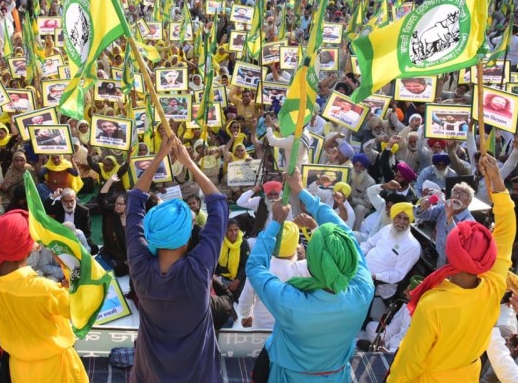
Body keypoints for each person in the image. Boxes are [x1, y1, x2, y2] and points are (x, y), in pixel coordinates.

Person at [387, 154, 515, 381]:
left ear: (453, 252)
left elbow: (407, 365)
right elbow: (507, 230)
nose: (456, 196)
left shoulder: (433, 305)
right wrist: (497, 181)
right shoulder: (494, 285)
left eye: (463, 194)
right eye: (455, 192)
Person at [246, 169, 374, 382]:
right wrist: (302, 192)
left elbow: (255, 268)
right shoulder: (363, 290)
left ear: (312, 263)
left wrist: (275, 223)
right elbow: (347, 236)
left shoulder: (290, 300)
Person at [126, 135, 227, 382]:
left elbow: (135, 203)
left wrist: (159, 157)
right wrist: (189, 163)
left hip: (150, 371)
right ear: (185, 238)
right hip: (198, 373)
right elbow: (220, 206)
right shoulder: (198, 270)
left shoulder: (139, 266)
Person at [0, 209, 88, 383]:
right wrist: (66, 264)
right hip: (55, 370)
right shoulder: (43, 289)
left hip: (19, 369)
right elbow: (81, 309)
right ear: (28, 245)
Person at [238, 221, 308, 330]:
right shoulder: (302, 270)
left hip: (261, 329)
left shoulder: (258, 269)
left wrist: (246, 315)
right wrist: (313, 226)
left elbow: (245, 301)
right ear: (295, 246)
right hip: (291, 331)